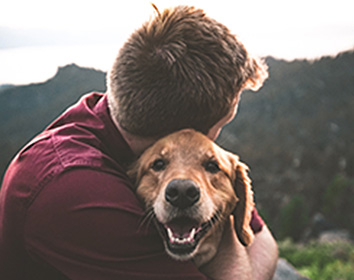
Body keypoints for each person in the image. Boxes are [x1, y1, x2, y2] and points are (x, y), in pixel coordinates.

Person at [0, 5, 278, 280]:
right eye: (221, 125)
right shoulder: (75, 191)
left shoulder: (110, 117)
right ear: (184, 133)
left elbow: (263, 240)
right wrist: (228, 238)